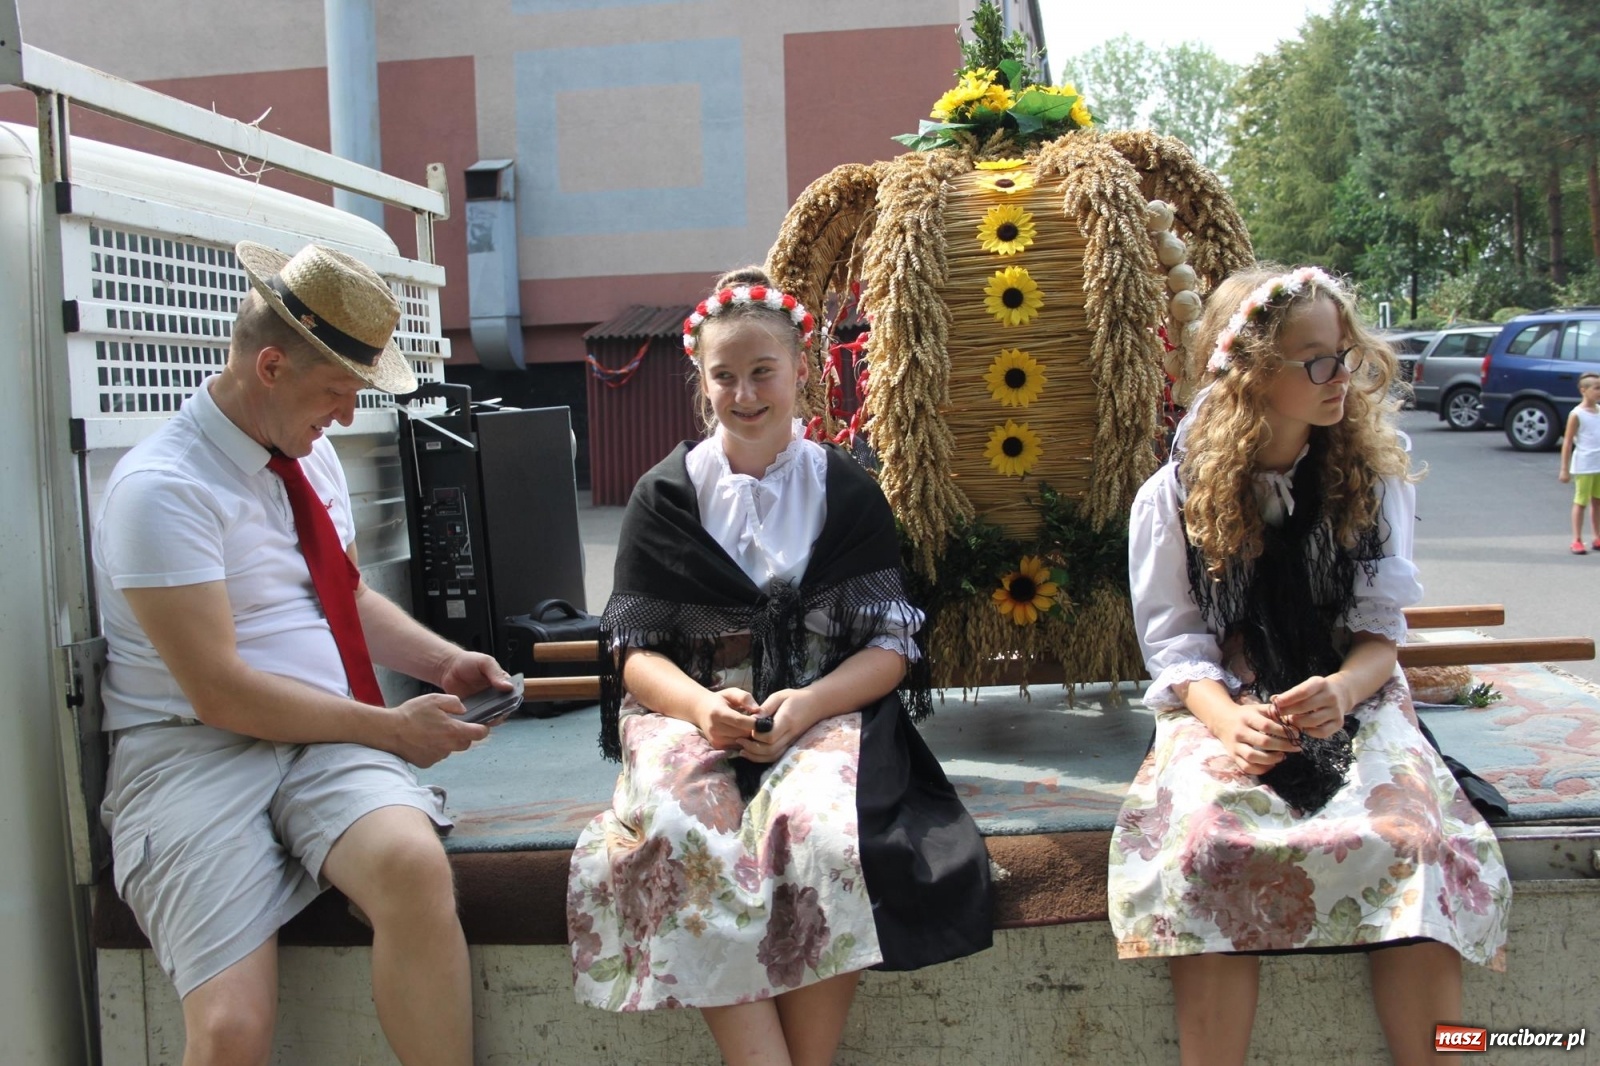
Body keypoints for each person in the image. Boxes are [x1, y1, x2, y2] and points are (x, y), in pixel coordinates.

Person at [95, 242, 513, 1066]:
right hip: (193, 753)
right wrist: (389, 730)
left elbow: (344, 594)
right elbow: (220, 694)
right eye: (337, 392)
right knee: (230, 1028)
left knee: (410, 868)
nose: (347, 417)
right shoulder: (164, 490)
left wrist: (442, 662)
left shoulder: (306, 451)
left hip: (325, 741)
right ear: (272, 365)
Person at [568, 267, 993, 1064]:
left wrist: (804, 707)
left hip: (826, 705)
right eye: (723, 376)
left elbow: (889, 648)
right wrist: (702, 711)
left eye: (763, 371)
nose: (745, 393)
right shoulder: (665, 497)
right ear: (701, 382)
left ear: (803, 371)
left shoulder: (848, 491)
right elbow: (634, 655)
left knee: (825, 837)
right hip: (688, 709)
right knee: (681, 831)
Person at [1108, 265, 1511, 1066]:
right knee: (1206, 844)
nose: (1341, 377)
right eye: (1318, 360)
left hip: (1350, 686)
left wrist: (1345, 688)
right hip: (1224, 697)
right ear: (1254, 371)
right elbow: (1177, 647)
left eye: (1345, 354)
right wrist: (1229, 719)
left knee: (1414, 842)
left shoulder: (1371, 475)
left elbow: (1377, 633)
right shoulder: (1174, 495)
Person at [1558, 371, 1600, 554]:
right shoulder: (1576, 414)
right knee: (1581, 502)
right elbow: (1567, 443)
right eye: (1596, 388)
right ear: (1583, 390)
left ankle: (1597, 536)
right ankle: (1576, 539)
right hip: (1584, 464)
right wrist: (1564, 469)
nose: (1599, 391)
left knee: (1598, 501)